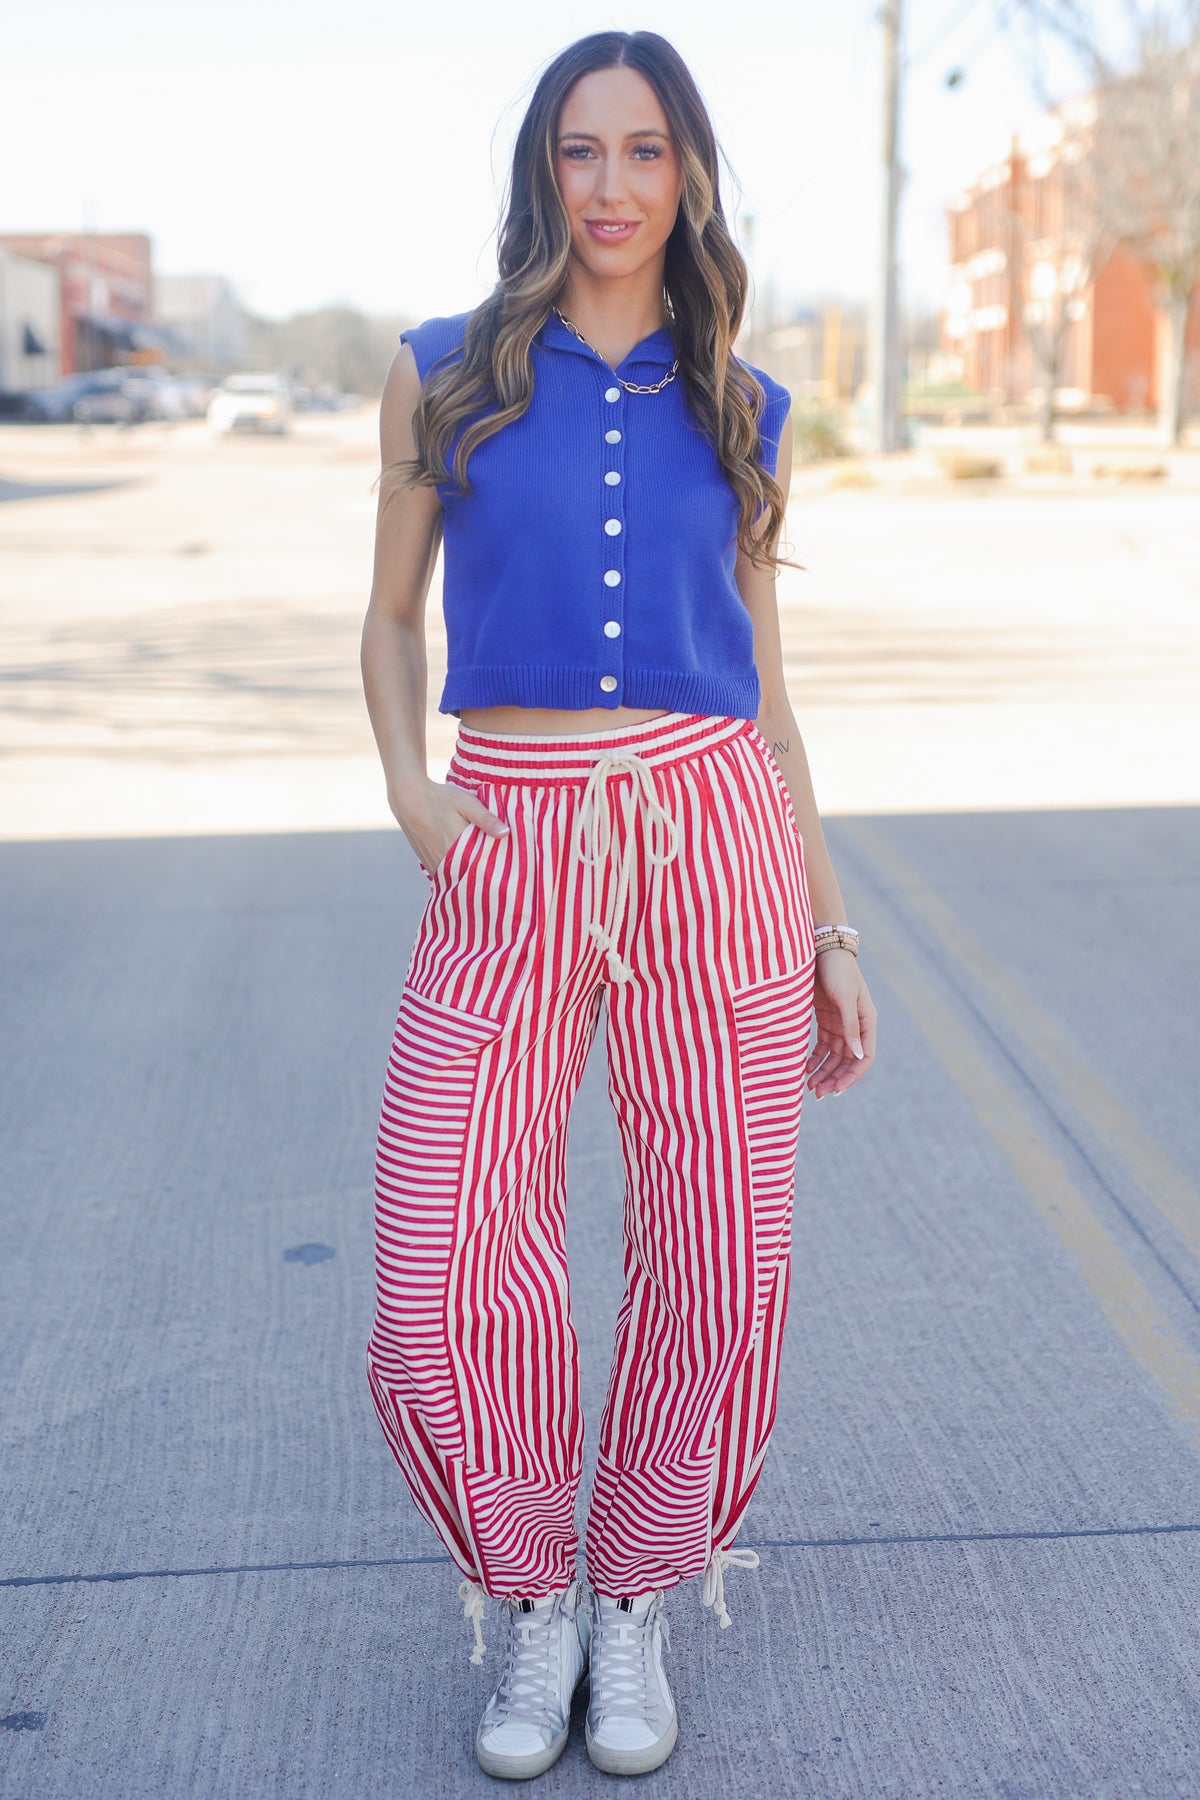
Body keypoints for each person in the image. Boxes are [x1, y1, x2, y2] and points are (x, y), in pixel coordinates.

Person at [359, 28, 878, 1782]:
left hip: (712, 832)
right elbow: (385, 619)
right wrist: (411, 792)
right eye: (579, 152)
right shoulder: (441, 374)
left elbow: (771, 691)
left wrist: (829, 922)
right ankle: (530, 1593)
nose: (608, 186)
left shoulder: (747, 399)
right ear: (539, 170)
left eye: (643, 152)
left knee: (720, 1251)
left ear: (689, 174)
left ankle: (638, 1590)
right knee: (439, 1257)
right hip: (502, 832)